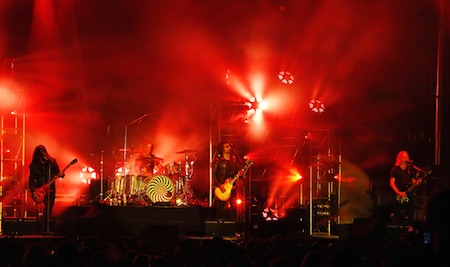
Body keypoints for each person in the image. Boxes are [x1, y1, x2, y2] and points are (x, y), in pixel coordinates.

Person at [28, 145, 64, 233]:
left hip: (51, 188)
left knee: (49, 207)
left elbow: (59, 173)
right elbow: (31, 180)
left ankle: (45, 229)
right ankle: (42, 229)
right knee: (46, 208)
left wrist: (61, 174)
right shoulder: (34, 165)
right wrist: (34, 191)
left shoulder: (52, 162)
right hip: (40, 190)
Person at [211, 141, 243, 220]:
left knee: (234, 208)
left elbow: (236, 174)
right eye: (226, 146)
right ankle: (218, 226)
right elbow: (214, 174)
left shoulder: (234, 160)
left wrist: (240, 175)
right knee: (220, 209)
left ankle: (233, 226)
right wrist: (219, 185)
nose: (229, 148)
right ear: (222, 149)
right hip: (221, 188)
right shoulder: (218, 160)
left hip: (232, 187)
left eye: (229, 146)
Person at [389, 150, 421, 224]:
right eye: (404, 157)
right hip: (398, 195)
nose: (406, 158)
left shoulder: (410, 169)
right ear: (400, 158)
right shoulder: (395, 169)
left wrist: (417, 182)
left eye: (407, 157)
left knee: (410, 212)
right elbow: (392, 183)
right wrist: (398, 192)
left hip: (408, 194)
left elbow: (413, 181)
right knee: (397, 213)